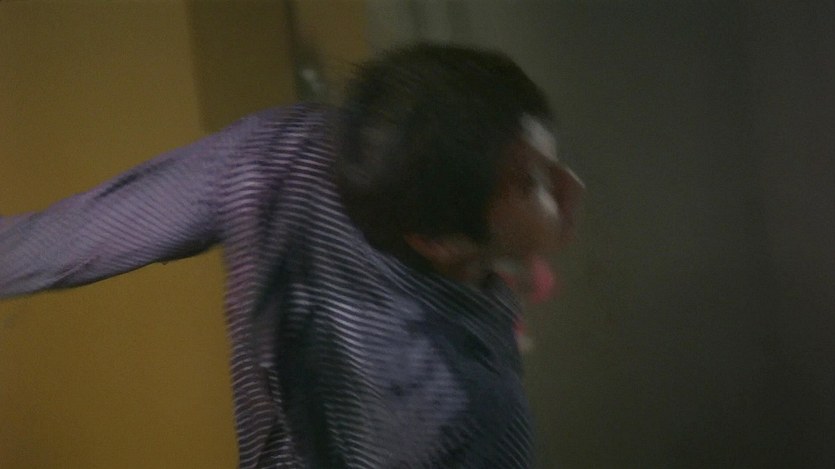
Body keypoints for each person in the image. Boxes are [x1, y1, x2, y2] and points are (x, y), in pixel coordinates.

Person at [0, 44, 583, 468]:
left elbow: (63, 241)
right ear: (437, 241)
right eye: (531, 184)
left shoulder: (282, 155)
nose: (571, 188)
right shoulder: (474, 414)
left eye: (549, 159)